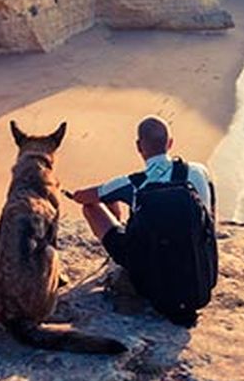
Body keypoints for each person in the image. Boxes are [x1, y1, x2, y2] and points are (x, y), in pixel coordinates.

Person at [67, 116, 218, 326]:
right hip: (199, 276)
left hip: (152, 279)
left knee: (94, 206)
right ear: (170, 143)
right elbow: (209, 220)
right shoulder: (198, 172)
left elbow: (87, 197)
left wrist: (76, 195)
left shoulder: (133, 183)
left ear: (139, 147)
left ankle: (115, 260)